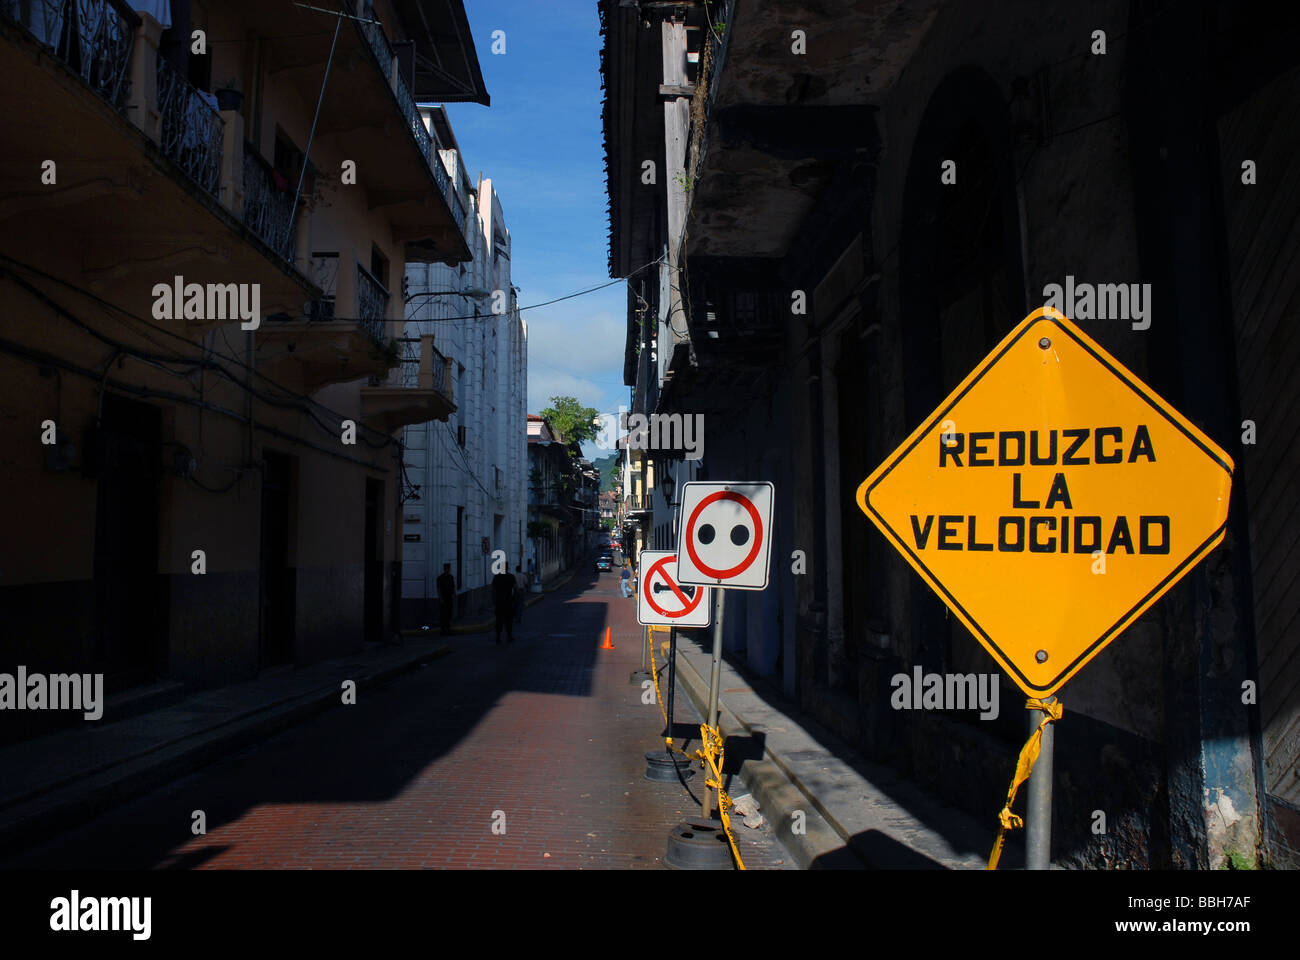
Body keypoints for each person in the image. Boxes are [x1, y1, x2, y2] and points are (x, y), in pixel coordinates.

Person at [492, 568, 517, 643]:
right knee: (509, 620)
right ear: (507, 568)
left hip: (499, 602)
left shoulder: (496, 577)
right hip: (508, 602)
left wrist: (494, 600)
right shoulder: (511, 576)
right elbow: (516, 588)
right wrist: (514, 598)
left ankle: (498, 637)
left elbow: (493, 590)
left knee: (499, 620)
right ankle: (509, 636)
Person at [436, 563, 456, 636]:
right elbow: (439, 589)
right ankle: (443, 629)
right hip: (443, 598)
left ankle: (448, 628)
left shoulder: (451, 577)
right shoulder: (440, 578)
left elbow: (453, 587)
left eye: (449, 569)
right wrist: (440, 598)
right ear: (444, 569)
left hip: (449, 598)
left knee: (449, 613)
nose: (448, 570)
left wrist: (454, 595)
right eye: (447, 568)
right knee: (443, 614)